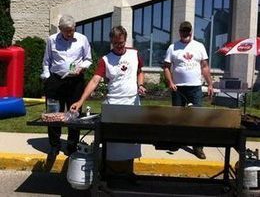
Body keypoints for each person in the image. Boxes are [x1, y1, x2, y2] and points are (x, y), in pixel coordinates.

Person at [70, 25, 146, 175]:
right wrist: (80, 101)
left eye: (121, 42)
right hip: (114, 104)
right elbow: (94, 81)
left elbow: (140, 72)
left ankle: (129, 173)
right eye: (115, 43)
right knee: (113, 142)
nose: (119, 46)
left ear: (125, 39)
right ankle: (108, 173)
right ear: (111, 41)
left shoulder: (134, 54)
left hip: (133, 103)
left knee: (132, 140)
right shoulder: (105, 60)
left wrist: (140, 85)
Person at [41, 14, 92, 157]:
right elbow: (46, 61)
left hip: (75, 82)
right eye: (66, 31)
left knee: (74, 113)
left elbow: (88, 59)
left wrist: (82, 67)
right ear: (60, 29)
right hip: (55, 81)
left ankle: (72, 145)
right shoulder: (51, 40)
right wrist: (47, 77)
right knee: (53, 114)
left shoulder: (82, 39)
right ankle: (54, 146)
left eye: (72, 30)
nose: (70, 33)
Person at [164, 21, 213, 160]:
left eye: (188, 31)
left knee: (197, 118)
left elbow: (204, 66)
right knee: (177, 117)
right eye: (183, 31)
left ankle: (198, 146)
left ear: (191, 32)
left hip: (195, 88)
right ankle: (175, 142)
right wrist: (170, 82)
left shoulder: (199, 46)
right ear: (179, 32)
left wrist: (210, 84)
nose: (186, 33)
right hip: (178, 88)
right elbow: (166, 67)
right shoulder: (173, 47)